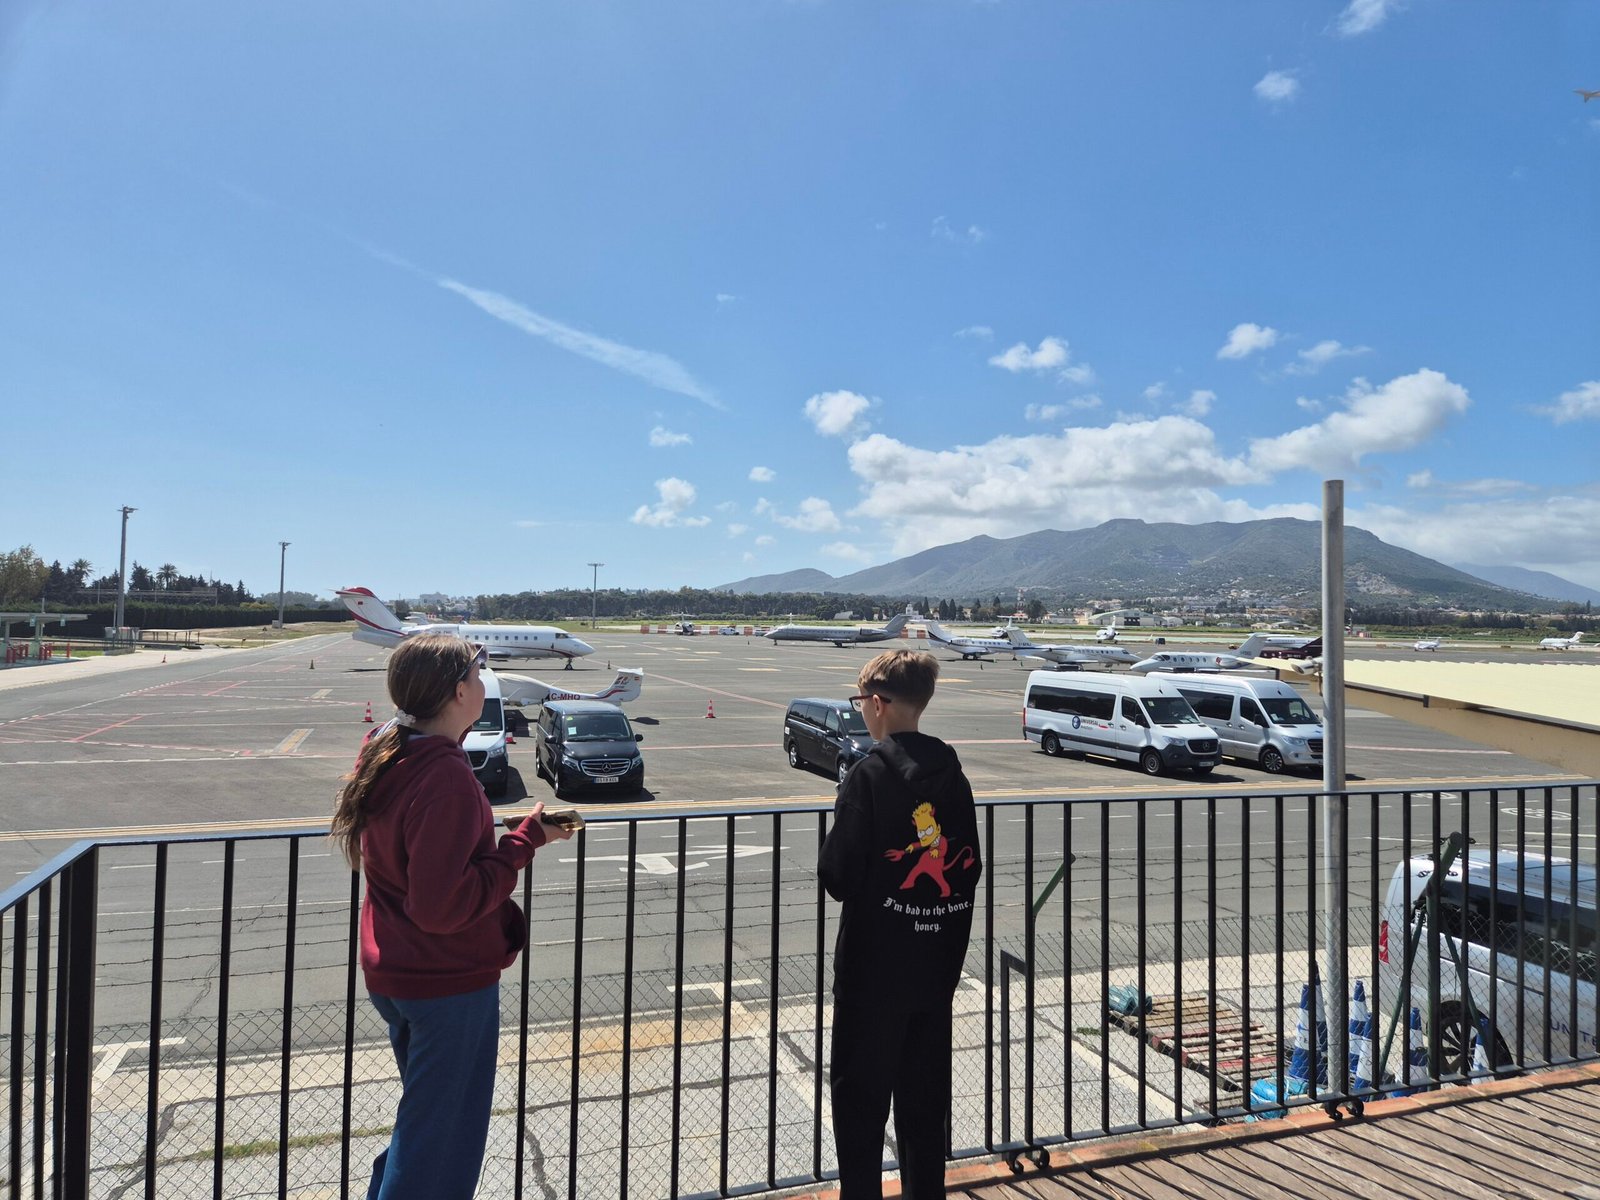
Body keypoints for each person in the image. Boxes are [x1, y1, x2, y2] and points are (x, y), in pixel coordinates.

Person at [330, 633, 573, 1200]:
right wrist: (523, 843)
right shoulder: (443, 775)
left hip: (398, 971)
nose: (483, 682)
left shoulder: (388, 748)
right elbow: (442, 906)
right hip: (445, 982)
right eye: (478, 673)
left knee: (422, 1126)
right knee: (440, 1145)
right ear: (460, 690)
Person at [817, 649, 983, 1200]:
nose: (861, 710)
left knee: (860, 1110)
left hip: (872, 976)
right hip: (934, 973)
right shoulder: (954, 778)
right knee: (923, 1109)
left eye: (860, 701)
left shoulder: (868, 776)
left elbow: (838, 876)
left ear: (879, 704)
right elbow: (970, 867)